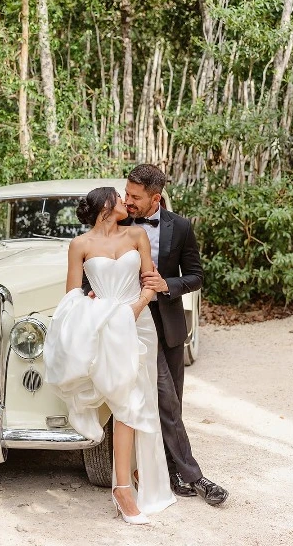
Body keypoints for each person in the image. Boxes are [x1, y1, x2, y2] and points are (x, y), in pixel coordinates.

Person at [44, 187, 177, 525]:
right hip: (105, 324)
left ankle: (132, 475)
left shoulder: (137, 234)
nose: (125, 202)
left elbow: (149, 281)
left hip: (138, 321)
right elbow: (72, 295)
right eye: (119, 198)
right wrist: (94, 307)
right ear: (105, 205)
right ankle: (121, 488)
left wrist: (135, 307)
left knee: (137, 399)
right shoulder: (81, 245)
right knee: (125, 399)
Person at [116, 164, 228, 506]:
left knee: (172, 403)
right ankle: (193, 476)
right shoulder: (116, 221)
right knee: (160, 401)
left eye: (135, 197)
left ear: (155, 197)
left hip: (167, 326)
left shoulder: (180, 226)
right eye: (127, 193)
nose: (128, 201)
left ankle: (173, 471)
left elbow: (195, 276)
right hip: (127, 326)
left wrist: (168, 285)